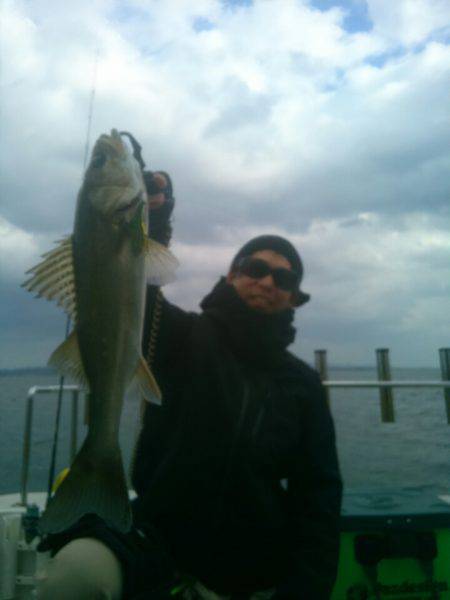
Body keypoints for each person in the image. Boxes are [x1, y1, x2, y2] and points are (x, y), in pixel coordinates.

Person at [37, 172, 342, 600]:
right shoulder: (182, 336)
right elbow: (133, 300)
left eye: (284, 279)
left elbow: (319, 494)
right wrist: (154, 218)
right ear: (233, 276)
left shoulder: (304, 385)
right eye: (256, 269)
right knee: (74, 575)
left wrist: (306, 588)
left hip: (252, 565)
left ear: (293, 298)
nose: (269, 282)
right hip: (157, 544)